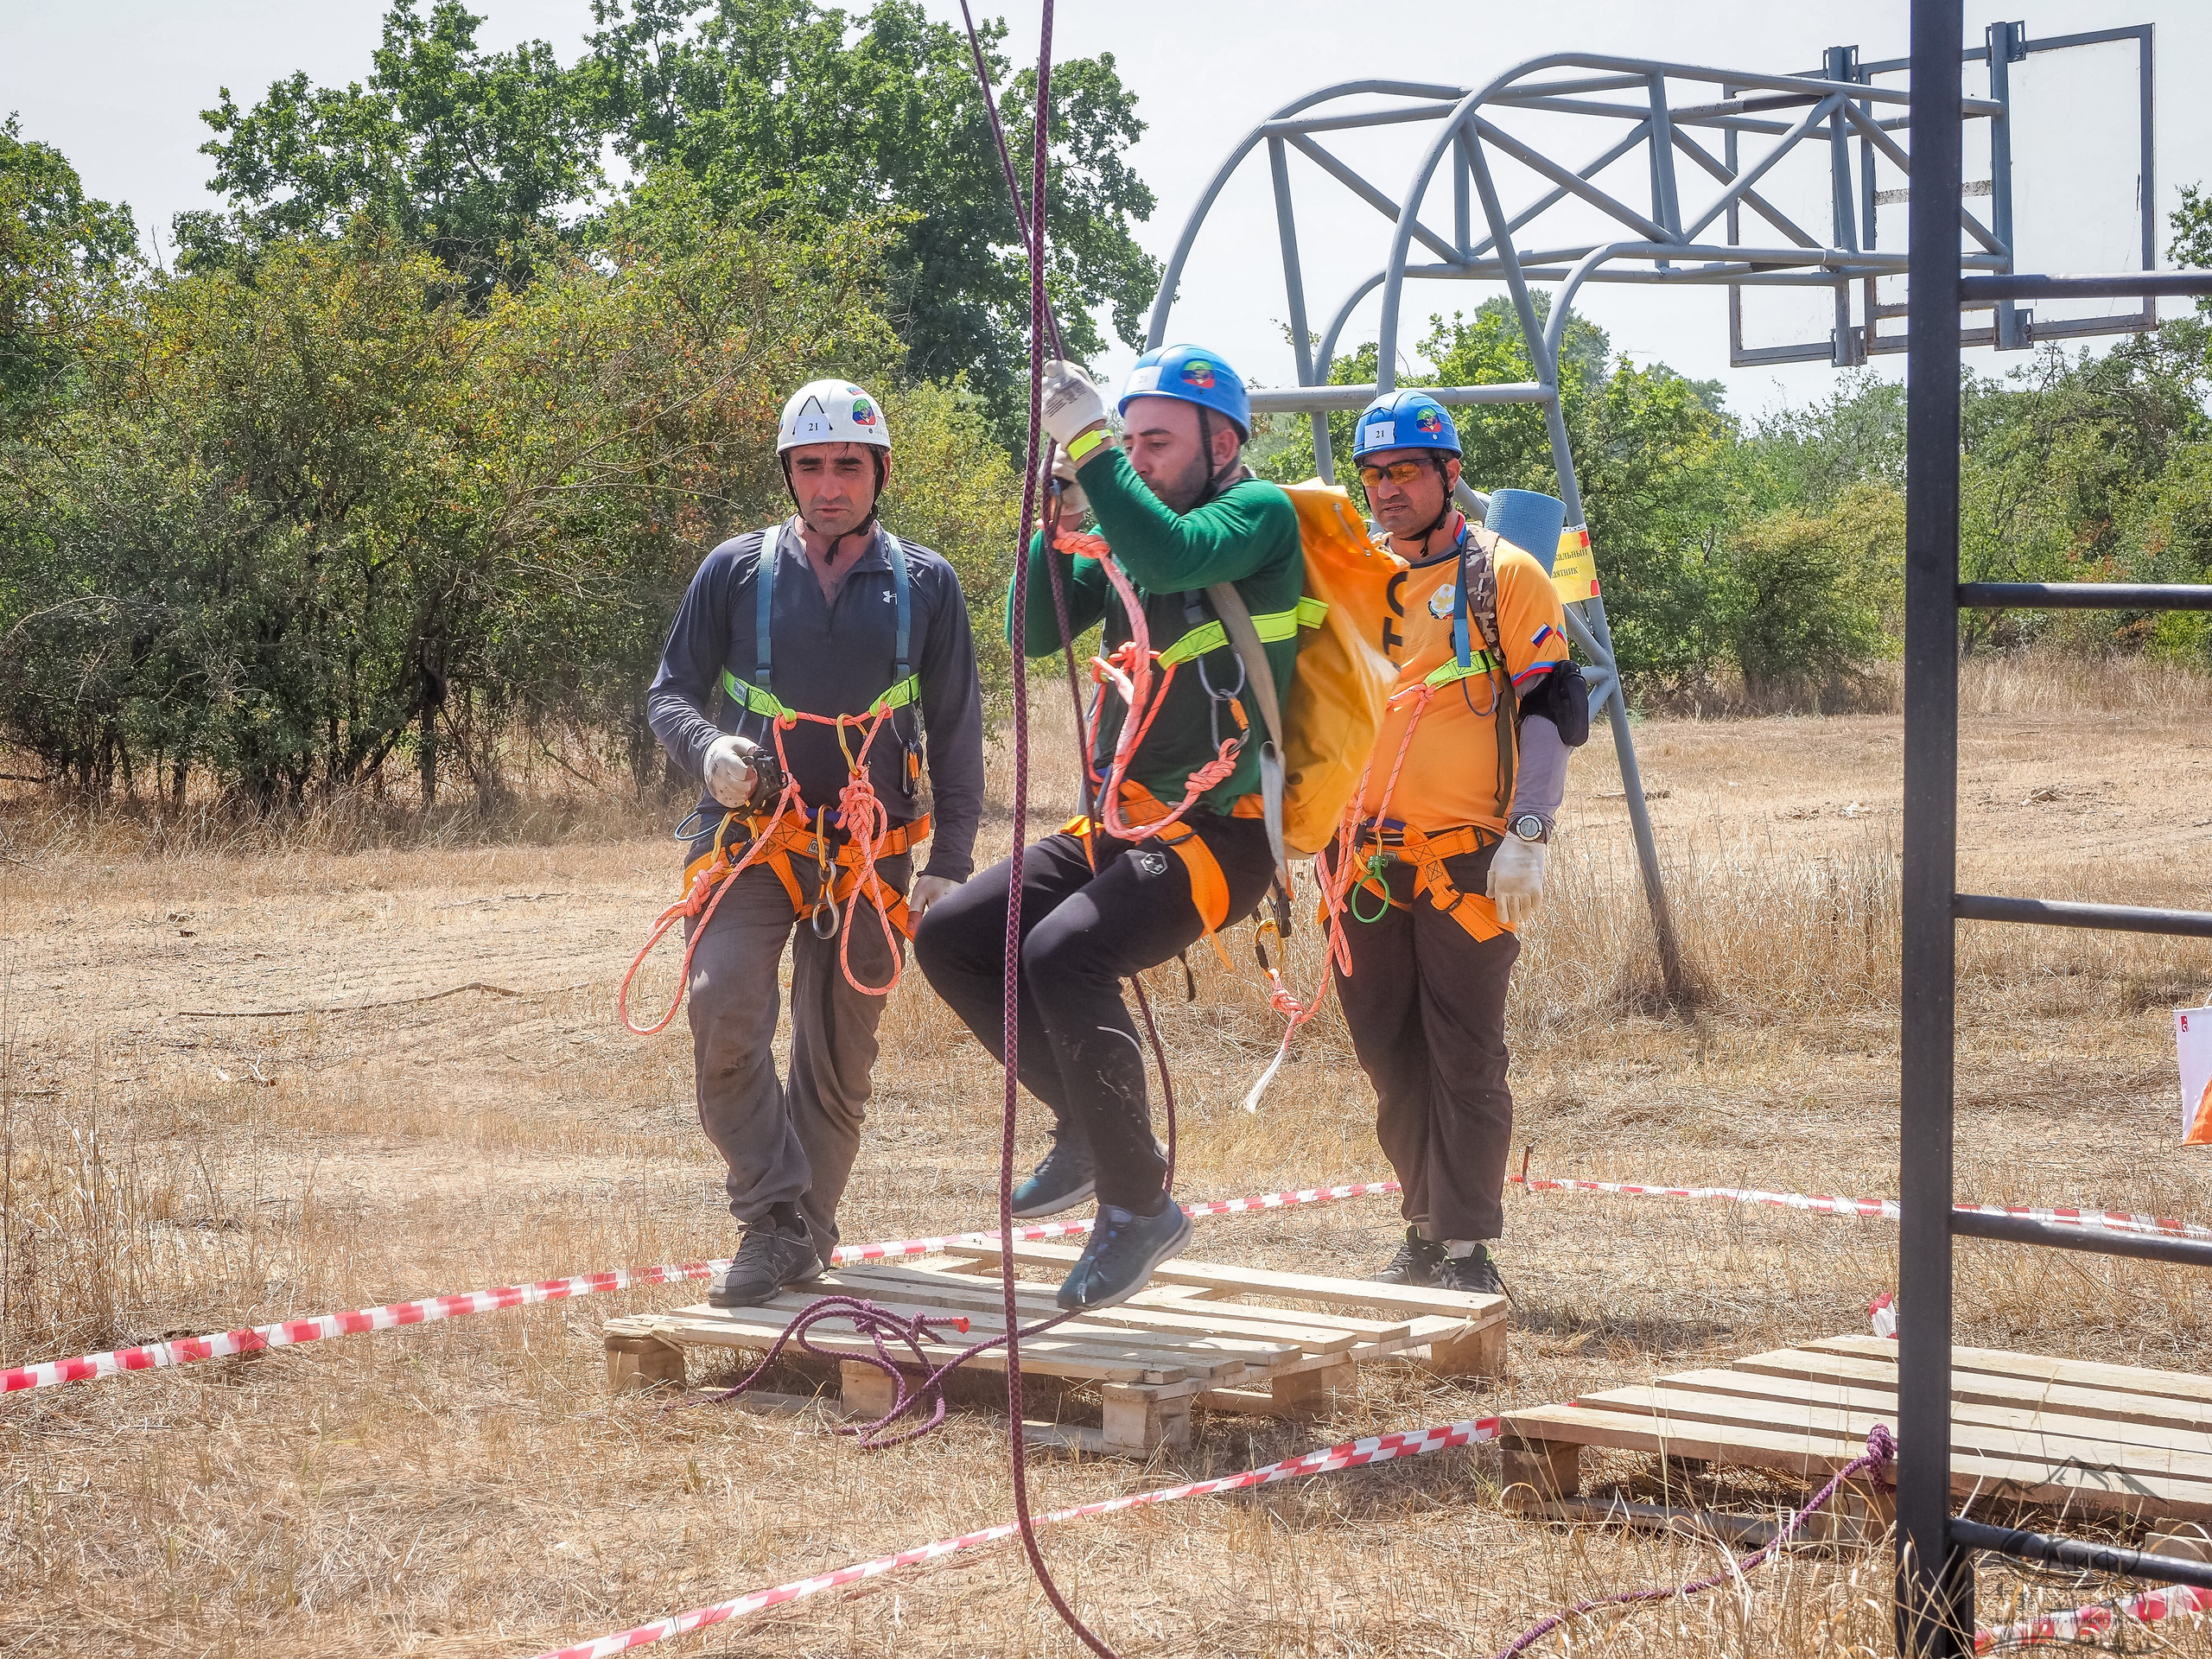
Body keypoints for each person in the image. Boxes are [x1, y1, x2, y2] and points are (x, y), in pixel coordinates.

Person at [915, 346, 1305, 1313]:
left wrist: (1091, 448)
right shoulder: (1129, 531)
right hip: (1125, 826)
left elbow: (1176, 553)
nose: (1137, 457)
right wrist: (1061, 511)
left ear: (1224, 444)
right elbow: (1035, 631)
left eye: (1155, 443)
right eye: (1128, 440)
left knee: (1061, 956)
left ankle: (1139, 1208)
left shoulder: (1256, 517)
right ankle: (1090, 1133)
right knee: (955, 935)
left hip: (1224, 833)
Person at [646, 378, 985, 1306]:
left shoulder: (926, 584)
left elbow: (956, 731)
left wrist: (951, 862)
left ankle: (803, 1240)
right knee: (721, 1011)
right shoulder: (735, 571)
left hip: (871, 855)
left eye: (847, 465)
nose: (828, 484)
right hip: (749, 842)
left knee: (837, 1058)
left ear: (879, 472)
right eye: (810, 466)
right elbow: (669, 690)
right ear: (788, 474)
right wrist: (705, 745)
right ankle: (772, 1217)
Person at [1328, 390, 1587, 1294]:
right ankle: (1420, 1226)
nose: (1386, 489)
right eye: (1372, 473)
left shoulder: (1504, 574)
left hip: (1468, 860)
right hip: (1359, 858)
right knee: (1386, 1051)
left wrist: (1529, 831)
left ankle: (1468, 1247)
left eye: (1404, 471)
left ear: (1449, 475)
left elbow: (1554, 700)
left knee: (1464, 1050)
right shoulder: (1351, 571)